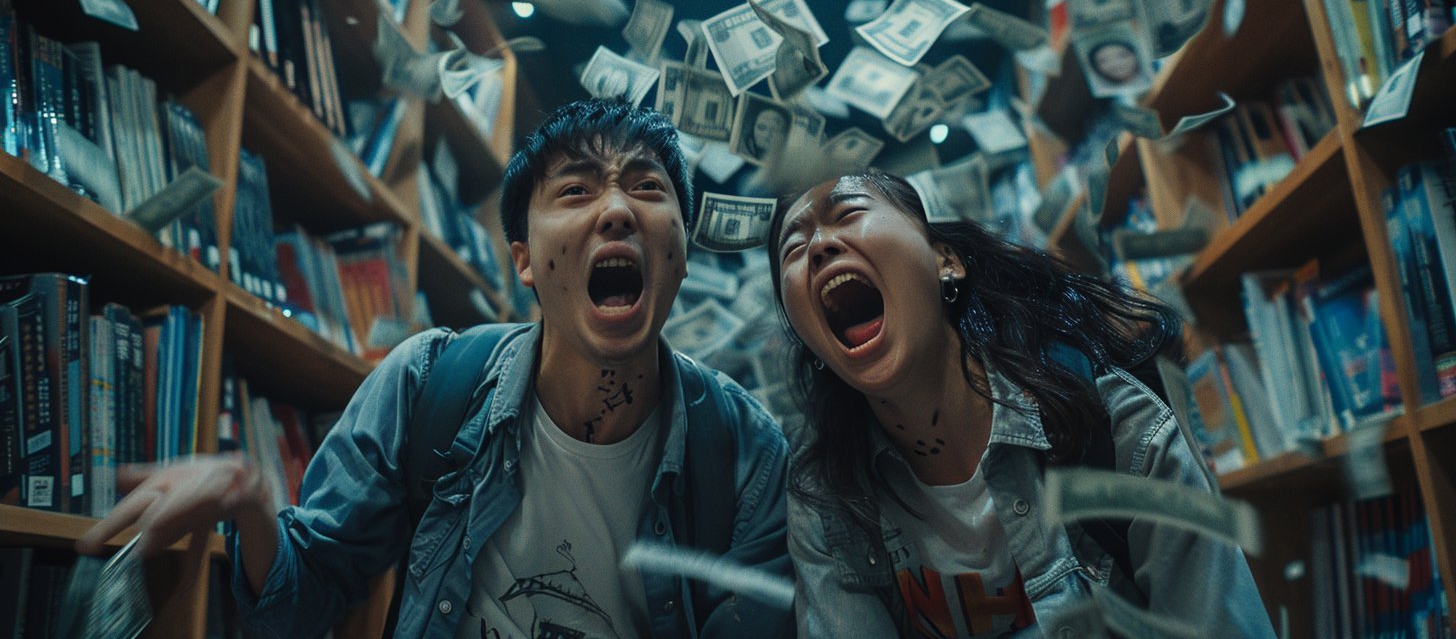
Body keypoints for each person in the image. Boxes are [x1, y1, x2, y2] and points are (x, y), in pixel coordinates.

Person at [77, 96, 794, 639]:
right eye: (576, 191)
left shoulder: (745, 451)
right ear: (522, 259)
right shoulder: (427, 382)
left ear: (682, 250)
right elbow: (307, 596)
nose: (615, 210)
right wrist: (250, 503)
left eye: (646, 187)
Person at [767, 170, 1276, 638]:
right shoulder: (825, 499)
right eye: (794, 246)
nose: (818, 246)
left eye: (848, 213)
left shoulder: (1121, 431)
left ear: (947, 261)